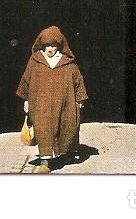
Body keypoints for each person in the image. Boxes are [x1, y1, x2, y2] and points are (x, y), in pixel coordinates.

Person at [16, 25, 87, 173]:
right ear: (42, 45)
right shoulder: (35, 60)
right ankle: (45, 161)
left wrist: (80, 99)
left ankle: (64, 154)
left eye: (53, 45)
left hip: (64, 103)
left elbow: (78, 80)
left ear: (59, 46)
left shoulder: (67, 62)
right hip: (40, 103)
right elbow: (26, 80)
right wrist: (26, 100)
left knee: (66, 127)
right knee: (43, 129)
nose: (50, 49)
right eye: (47, 45)